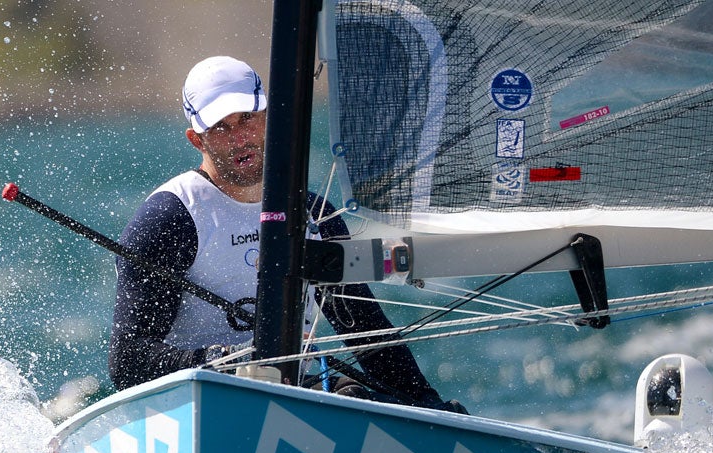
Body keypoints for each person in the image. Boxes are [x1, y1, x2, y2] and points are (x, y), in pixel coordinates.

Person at [109, 55, 462, 412]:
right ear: (196, 140)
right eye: (220, 127)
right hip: (192, 404)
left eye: (246, 118)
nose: (239, 138)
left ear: (269, 118)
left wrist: (429, 407)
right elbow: (126, 362)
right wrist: (223, 362)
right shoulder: (170, 219)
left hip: (287, 394)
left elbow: (366, 332)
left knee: (353, 396)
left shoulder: (315, 216)